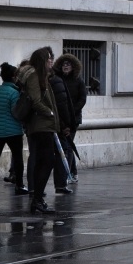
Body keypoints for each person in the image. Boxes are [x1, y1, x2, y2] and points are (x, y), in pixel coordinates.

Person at [16, 46, 61, 213]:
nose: (51, 61)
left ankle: (37, 198)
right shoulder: (35, 75)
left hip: (44, 125)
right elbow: (35, 101)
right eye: (48, 58)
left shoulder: (43, 77)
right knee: (47, 160)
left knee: (44, 160)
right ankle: (37, 198)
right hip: (41, 125)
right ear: (42, 60)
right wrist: (48, 113)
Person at [0, 63, 29, 195]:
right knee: (18, 158)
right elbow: (16, 112)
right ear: (15, 77)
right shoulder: (14, 92)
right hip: (12, 131)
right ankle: (20, 185)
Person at [55, 53, 87, 181]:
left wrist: (72, 112)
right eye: (63, 64)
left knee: (68, 145)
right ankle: (73, 172)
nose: (65, 66)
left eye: (68, 64)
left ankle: (67, 174)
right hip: (61, 118)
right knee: (68, 144)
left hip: (73, 118)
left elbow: (82, 99)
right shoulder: (58, 79)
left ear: (73, 66)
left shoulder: (79, 81)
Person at [49, 62, 76, 195]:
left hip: (48, 123)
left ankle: (35, 190)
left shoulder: (47, 79)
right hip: (56, 124)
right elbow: (62, 105)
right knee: (62, 151)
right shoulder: (56, 80)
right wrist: (66, 125)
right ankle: (60, 184)